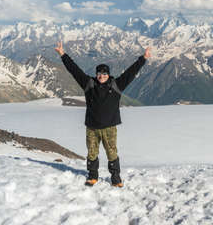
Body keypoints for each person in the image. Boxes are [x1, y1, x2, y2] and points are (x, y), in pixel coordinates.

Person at [55, 41, 151, 187]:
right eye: (99, 73)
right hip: (92, 127)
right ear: (96, 74)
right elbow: (74, 70)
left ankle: (116, 178)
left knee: (112, 153)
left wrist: (143, 59)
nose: (101, 76)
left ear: (108, 74)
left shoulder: (116, 85)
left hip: (109, 127)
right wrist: (62, 54)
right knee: (92, 153)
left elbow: (131, 73)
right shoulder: (89, 84)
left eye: (104, 73)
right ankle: (92, 176)